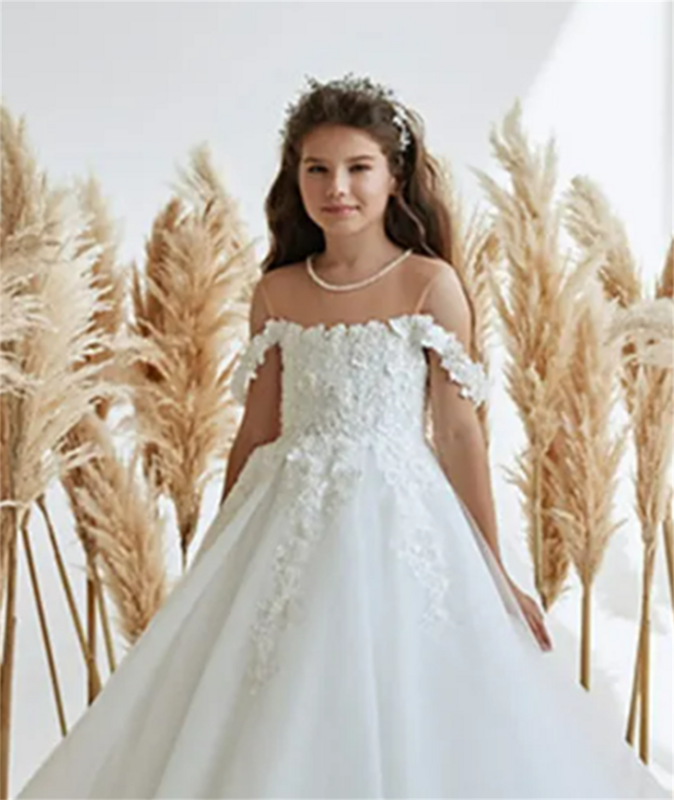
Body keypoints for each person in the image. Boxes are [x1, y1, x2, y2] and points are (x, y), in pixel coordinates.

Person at [19, 74, 669, 799]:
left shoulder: (430, 284)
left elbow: (458, 435)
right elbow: (256, 431)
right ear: (294, 179)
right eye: (317, 170)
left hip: (399, 523)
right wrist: (209, 564)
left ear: (395, 178)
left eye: (359, 168)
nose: (338, 188)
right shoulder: (278, 291)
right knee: (272, 696)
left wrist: (494, 571)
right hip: (283, 521)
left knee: (400, 696)